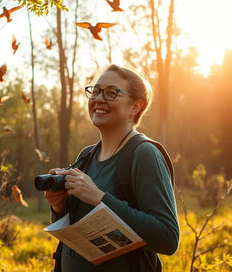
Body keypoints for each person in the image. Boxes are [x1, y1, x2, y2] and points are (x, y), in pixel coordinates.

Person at [44, 64, 179, 271]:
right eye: (95, 91)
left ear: (135, 107)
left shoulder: (144, 154)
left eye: (111, 93)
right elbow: (76, 232)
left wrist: (100, 198)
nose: (99, 99)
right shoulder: (86, 156)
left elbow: (167, 238)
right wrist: (58, 206)